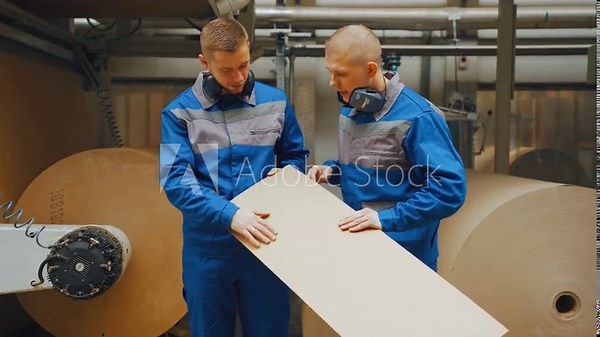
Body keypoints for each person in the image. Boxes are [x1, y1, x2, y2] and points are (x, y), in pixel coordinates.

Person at [159, 17, 308, 337]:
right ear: (204, 62)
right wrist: (230, 214)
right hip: (209, 250)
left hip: (267, 244)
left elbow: (294, 156)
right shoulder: (178, 113)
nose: (239, 77)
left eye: (244, 65)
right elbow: (175, 181)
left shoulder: (277, 103)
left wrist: (288, 178)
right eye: (227, 70)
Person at [308, 25, 466, 271]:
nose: (331, 83)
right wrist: (331, 171)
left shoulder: (419, 116)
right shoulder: (351, 110)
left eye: (340, 74)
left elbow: (448, 190)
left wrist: (384, 219)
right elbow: (377, 166)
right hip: (359, 246)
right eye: (330, 72)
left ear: (370, 69)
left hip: (406, 256)